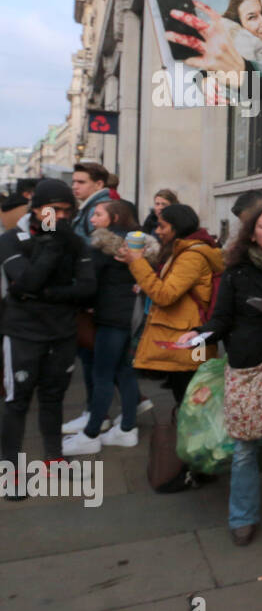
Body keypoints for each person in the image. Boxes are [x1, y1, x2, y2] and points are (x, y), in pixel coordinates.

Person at [178, 203, 262, 545]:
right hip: (246, 370)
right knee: (245, 448)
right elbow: (221, 319)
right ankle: (242, 518)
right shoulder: (236, 273)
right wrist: (199, 333)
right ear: (252, 232)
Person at [0, 180, 95, 500]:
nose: (61, 216)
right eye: (53, 210)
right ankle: (10, 472)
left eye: (68, 211)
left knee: (53, 398)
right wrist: (52, 247)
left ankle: (54, 459)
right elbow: (26, 279)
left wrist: (42, 294)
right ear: (36, 209)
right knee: (17, 402)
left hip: (62, 333)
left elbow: (86, 289)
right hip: (23, 334)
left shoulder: (76, 243)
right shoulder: (12, 239)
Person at [61, 200, 158, 456]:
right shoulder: (139, 244)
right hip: (130, 316)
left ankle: (91, 434)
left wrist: (81, 303)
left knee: (102, 375)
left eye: (98, 214)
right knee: (124, 371)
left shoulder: (103, 245)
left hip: (110, 316)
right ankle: (127, 428)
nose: (92, 220)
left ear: (114, 218)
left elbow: (89, 282)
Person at [120, 203, 224, 409]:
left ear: (177, 227)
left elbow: (165, 295)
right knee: (189, 399)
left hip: (191, 337)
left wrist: (138, 263)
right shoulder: (183, 250)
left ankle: (194, 440)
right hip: (186, 335)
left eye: (162, 226)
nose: (158, 231)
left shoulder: (191, 255)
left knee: (192, 402)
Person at [71, 161, 117, 240]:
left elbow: (97, 247)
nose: (74, 187)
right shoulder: (93, 206)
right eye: (74, 182)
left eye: (81, 182)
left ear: (99, 185)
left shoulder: (96, 210)